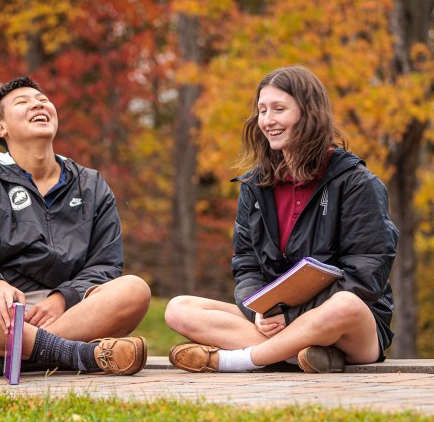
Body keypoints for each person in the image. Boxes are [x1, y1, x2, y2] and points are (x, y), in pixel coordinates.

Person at [165, 66, 397, 373]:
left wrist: (291, 316)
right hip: (275, 319)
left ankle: (240, 360)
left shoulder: (357, 183)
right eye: (262, 110)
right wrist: (257, 307)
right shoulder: (255, 186)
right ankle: (305, 354)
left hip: (347, 324)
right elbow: (246, 264)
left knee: (346, 306)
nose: (267, 120)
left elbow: (365, 277)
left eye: (279, 109)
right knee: (179, 308)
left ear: (309, 113)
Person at [0, 76, 152, 379]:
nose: (38, 104)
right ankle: (78, 355)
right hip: (5, 314)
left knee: (135, 290)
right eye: (23, 102)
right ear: (1, 129)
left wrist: (63, 297)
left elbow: (106, 264)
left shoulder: (91, 185)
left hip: (74, 310)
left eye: (42, 100)